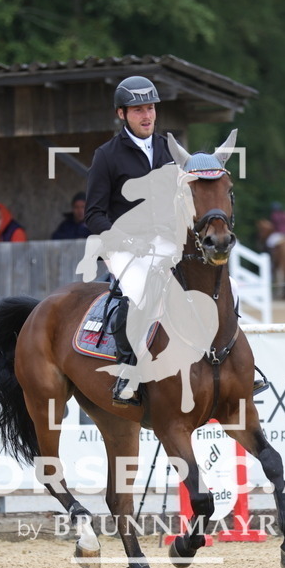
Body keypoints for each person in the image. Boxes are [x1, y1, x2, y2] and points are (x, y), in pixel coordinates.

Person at [84, 75, 174, 405]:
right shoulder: (106, 156)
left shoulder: (170, 149)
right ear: (121, 114)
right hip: (126, 248)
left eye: (150, 108)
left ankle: (231, 363)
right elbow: (94, 214)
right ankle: (127, 371)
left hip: (169, 244)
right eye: (138, 110)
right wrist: (126, 242)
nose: (147, 116)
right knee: (135, 294)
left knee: (221, 285)